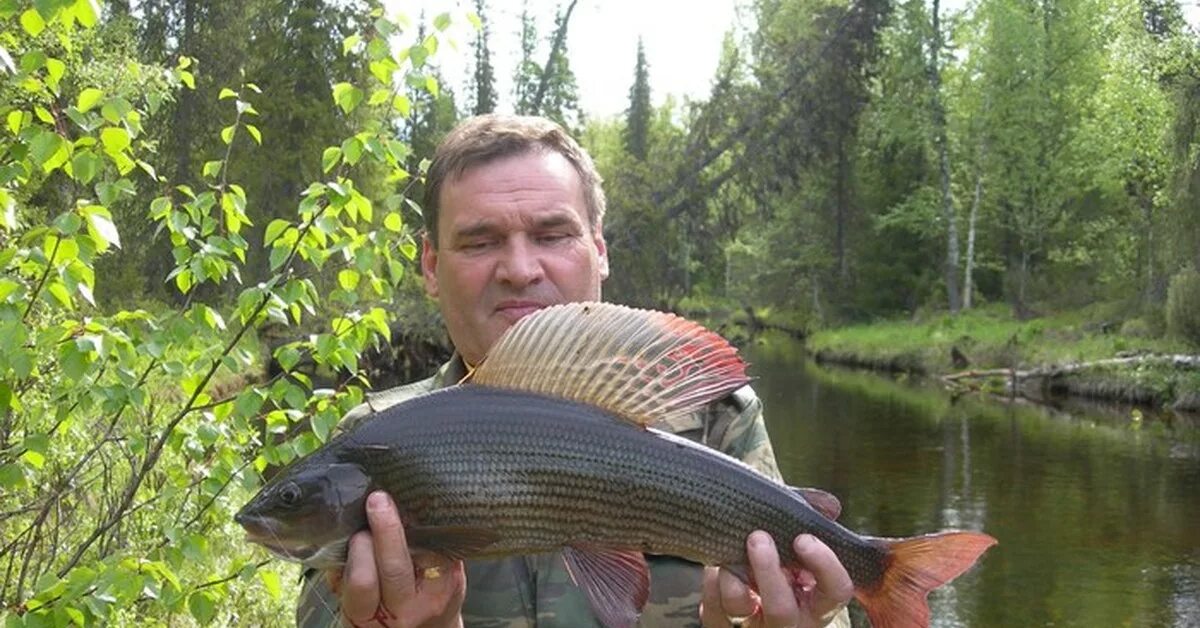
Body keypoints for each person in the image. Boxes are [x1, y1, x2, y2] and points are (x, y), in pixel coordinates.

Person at [296, 114, 853, 628]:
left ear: (600, 250)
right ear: (431, 267)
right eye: (480, 241)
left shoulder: (716, 419)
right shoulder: (370, 440)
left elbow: (812, 594)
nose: (518, 269)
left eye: (552, 235)